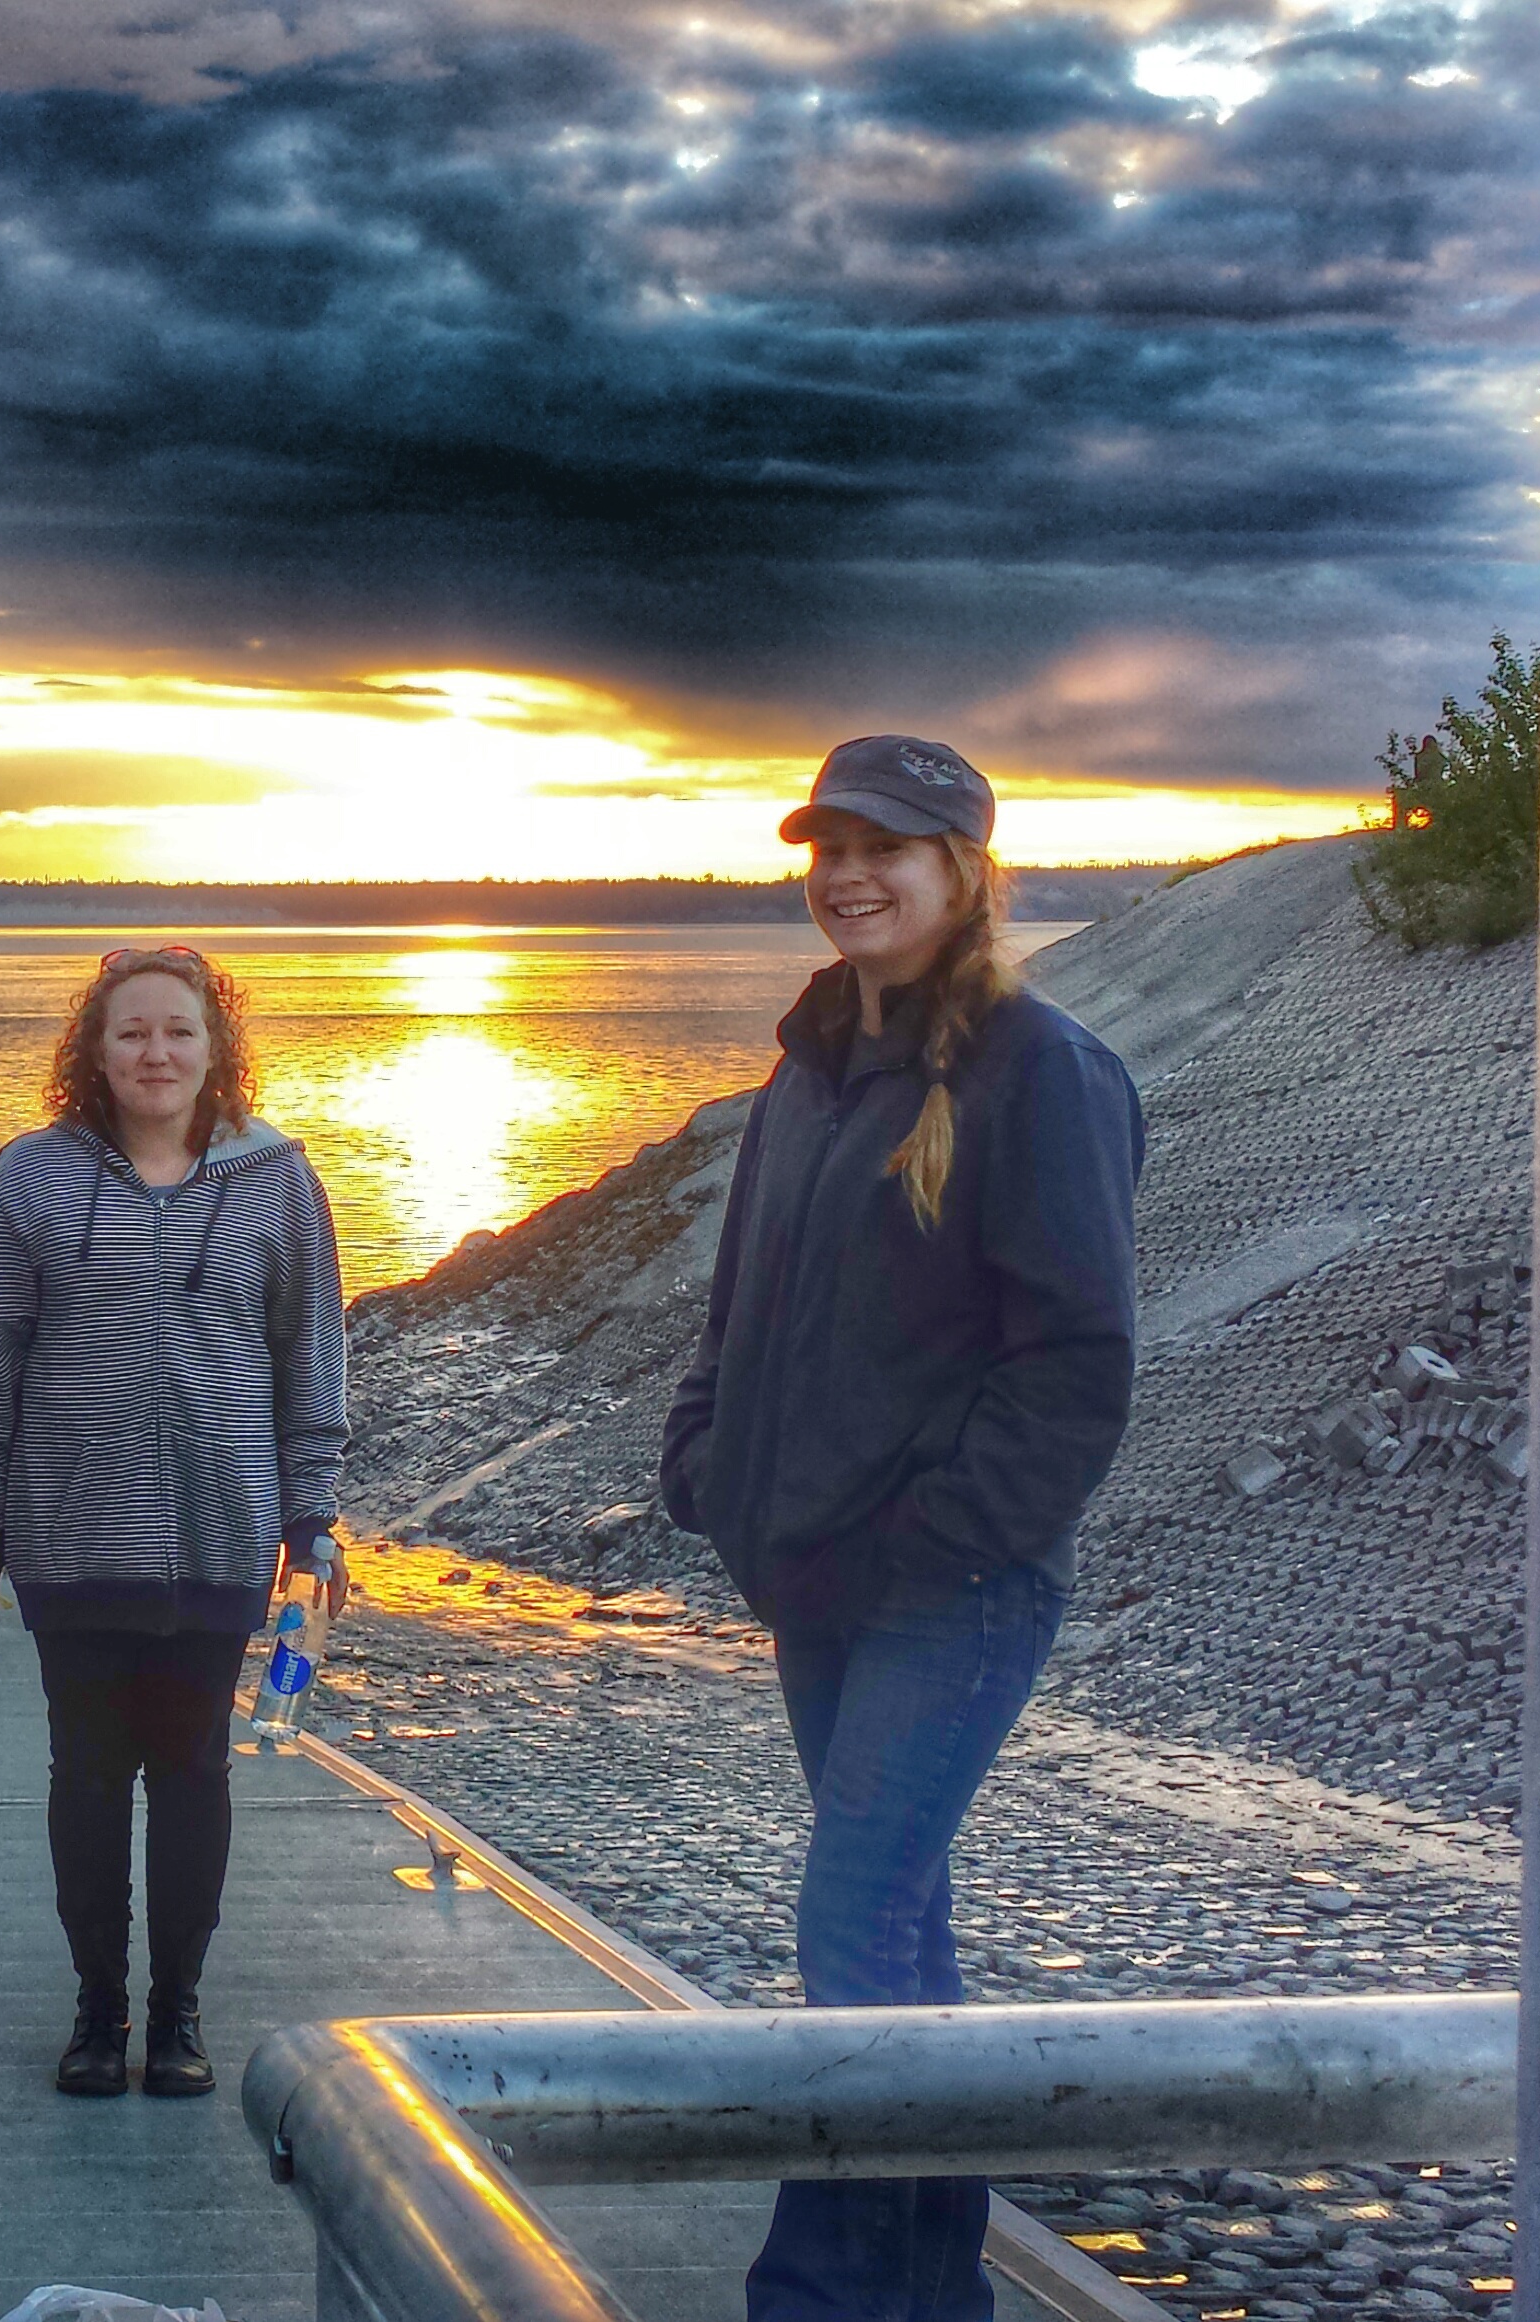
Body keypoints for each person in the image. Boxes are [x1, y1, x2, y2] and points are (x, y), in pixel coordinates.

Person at [660, 736, 1144, 2322]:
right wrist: (707, 1455)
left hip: (953, 1588)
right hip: (813, 1573)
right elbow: (743, 1298)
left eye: (889, 845)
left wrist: (938, 1538)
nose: (849, 871)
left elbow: (1075, 1361)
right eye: (829, 844)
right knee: (898, 1927)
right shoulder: (810, 1060)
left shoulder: (1041, 1067)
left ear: (963, 867)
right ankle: (928, 2295)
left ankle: (818, 2293)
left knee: (853, 1914)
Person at [0, 945, 348, 2100]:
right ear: (93, 1050)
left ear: (215, 1047)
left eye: (179, 1030)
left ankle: (176, 2013)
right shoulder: (27, 1177)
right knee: (86, 1776)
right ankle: (96, 2008)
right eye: (131, 1032)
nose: (156, 1052)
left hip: (224, 1523)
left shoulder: (278, 1180)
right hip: (71, 1528)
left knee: (190, 1773)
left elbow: (309, 1354)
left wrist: (311, 1514)